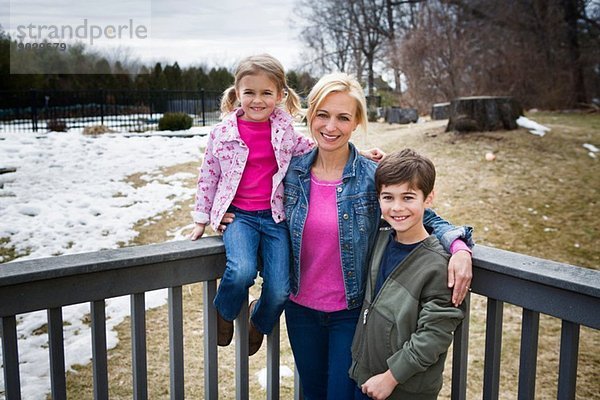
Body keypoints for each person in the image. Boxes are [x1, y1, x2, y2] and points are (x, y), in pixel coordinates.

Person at [281, 72, 473, 400]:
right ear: (311, 114)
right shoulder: (290, 173)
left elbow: (425, 216)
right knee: (312, 393)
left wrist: (459, 247)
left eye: (343, 117)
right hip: (299, 310)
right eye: (323, 115)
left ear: (356, 122)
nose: (330, 126)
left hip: (350, 313)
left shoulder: (371, 176)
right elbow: (260, 215)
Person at [189, 54, 316, 355]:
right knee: (242, 271)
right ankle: (224, 312)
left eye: (266, 93)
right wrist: (201, 217)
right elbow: (208, 175)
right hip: (239, 218)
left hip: (275, 218)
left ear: (280, 95)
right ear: (237, 93)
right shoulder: (222, 134)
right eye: (249, 92)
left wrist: (360, 155)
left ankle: (258, 321)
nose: (257, 100)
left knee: (280, 289)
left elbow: (319, 151)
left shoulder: (285, 133)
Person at [350, 149, 466, 400]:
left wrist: (391, 377)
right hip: (366, 376)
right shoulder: (380, 238)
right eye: (388, 197)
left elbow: (434, 335)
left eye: (408, 197)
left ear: (429, 198)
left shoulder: (438, 265)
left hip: (405, 388)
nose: (397, 207)